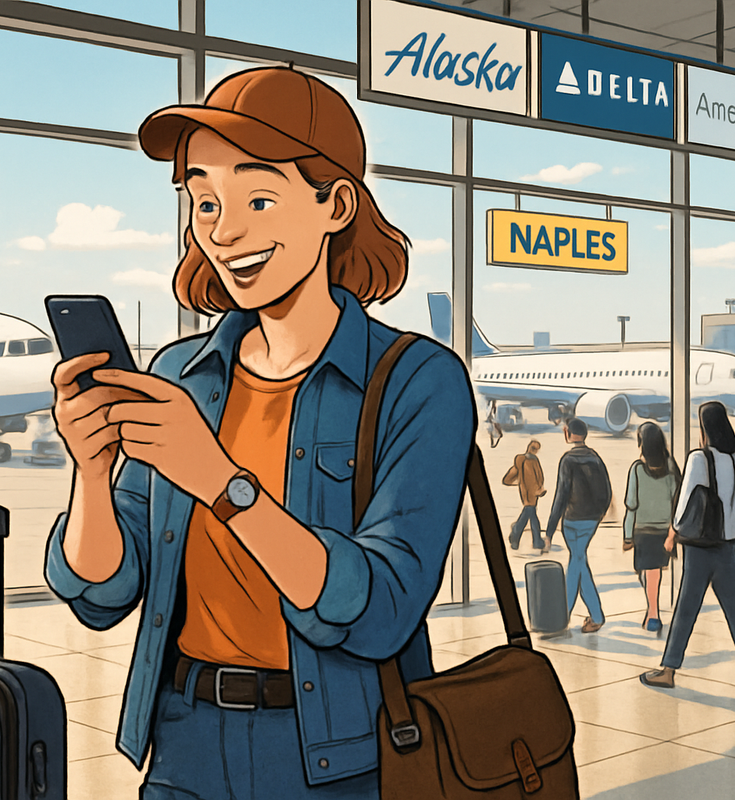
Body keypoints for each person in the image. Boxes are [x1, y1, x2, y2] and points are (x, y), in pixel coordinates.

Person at [43, 66, 475, 798]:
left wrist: (220, 480)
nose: (222, 229)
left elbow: (382, 609)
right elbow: (106, 592)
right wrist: (90, 471)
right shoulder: (184, 374)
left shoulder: (416, 379)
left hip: (341, 758)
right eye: (203, 200)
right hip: (182, 745)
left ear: (335, 204)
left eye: (258, 198)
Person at [641, 402, 735, 697]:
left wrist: (672, 533)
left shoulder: (699, 459)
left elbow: (685, 497)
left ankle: (668, 670)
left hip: (701, 547)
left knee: (686, 608)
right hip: (727, 546)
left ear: (705, 429)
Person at [544, 418, 612, 633]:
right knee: (579, 561)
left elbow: (561, 496)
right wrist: (598, 515)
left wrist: (549, 531)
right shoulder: (595, 459)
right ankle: (594, 615)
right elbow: (607, 492)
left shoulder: (567, 460)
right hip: (590, 521)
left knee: (576, 563)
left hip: (572, 521)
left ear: (567, 433)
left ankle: (562, 617)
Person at [622, 422, 680, 633]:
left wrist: (627, 535)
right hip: (665, 530)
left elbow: (631, 505)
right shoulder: (671, 467)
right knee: (651, 571)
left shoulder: (637, 469)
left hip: (643, 530)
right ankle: (651, 609)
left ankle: (653, 614)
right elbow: (677, 502)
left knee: (650, 571)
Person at [503, 440, 545, 550]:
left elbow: (511, 476)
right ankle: (518, 537)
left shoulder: (520, 460)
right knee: (529, 515)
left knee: (530, 515)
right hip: (532, 494)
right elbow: (537, 477)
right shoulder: (533, 461)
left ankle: (528, 540)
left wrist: (513, 482)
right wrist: (539, 489)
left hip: (525, 493)